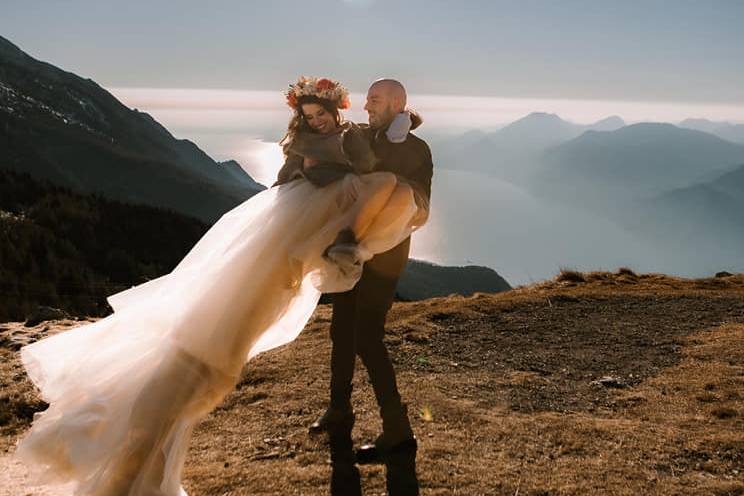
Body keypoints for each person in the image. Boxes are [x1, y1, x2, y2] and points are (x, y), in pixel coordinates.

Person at [15, 76, 428, 496]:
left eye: (325, 114)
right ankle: (124, 471)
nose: (321, 120)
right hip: (287, 247)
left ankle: (389, 428)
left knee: (353, 341)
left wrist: (401, 129)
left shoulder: (362, 140)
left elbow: (392, 179)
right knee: (217, 362)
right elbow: (338, 175)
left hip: (333, 256)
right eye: (309, 116)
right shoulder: (324, 144)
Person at [306, 78, 433, 496]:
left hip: (385, 254)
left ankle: (398, 434)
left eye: (374, 100)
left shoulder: (416, 149)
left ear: (396, 103)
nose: (366, 105)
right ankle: (339, 411)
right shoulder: (361, 135)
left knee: (367, 336)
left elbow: (415, 202)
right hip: (349, 247)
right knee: (340, 328)